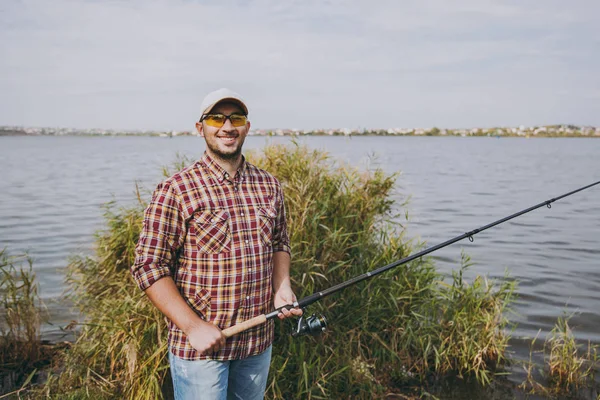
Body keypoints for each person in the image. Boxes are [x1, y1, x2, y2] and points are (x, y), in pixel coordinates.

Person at [130, 88, 302, 400]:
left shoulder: (269, 185)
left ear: (247, 127)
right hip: (202, 351)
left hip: (257, 343)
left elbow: (280, 243)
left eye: (236, 118)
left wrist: (282, 289)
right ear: (201, 128)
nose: (227, 126)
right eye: (216, 118)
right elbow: (148, 266)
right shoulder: (177, 189)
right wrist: (193, 326)